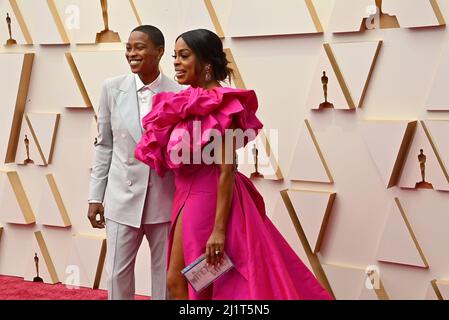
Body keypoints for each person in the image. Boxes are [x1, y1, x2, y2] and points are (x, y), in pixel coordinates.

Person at [135, 29, 332, 300]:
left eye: (184, 56)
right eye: (175, 56)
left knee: (198, 283)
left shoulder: (225, 103)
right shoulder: (182, 102)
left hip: (207, 198)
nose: (176, 63)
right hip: (184, 198)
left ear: (206, 63)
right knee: (177, 281)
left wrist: (218, 230)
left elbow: (227, 169)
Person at [87, 25, 183, 300]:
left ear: (159, 52)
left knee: (164, 277)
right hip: (121, 197)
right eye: (128, 48)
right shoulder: (111, 88)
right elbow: (104, 144)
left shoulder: (178, 93)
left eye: (139, 47)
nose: (131, 53)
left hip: (164, 199)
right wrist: (96, 196)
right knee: (117, 275)